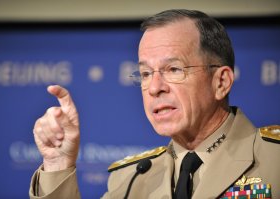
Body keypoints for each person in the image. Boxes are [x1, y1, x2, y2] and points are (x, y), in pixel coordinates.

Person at [29, 9, 280, 199]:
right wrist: (58, 165)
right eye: (146, 74)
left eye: (173, 69)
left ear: (221, 82)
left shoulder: (274, 159)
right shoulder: (129, 180)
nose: (155, 87)